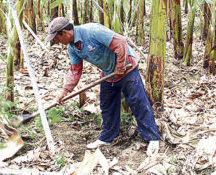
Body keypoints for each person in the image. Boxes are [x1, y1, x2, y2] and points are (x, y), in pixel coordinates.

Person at [46, 17, 160, 156]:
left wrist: (120, 66)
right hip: (108, 73)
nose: (57, 42)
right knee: (107, 105)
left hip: (127, 67)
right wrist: (64, 92)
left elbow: (120, 42)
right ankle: (107, 137)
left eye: (57, 39)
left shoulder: (92, 31)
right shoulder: (72, 47)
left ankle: (152, 138)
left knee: (137, 102)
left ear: (64, 32)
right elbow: (75, 70)